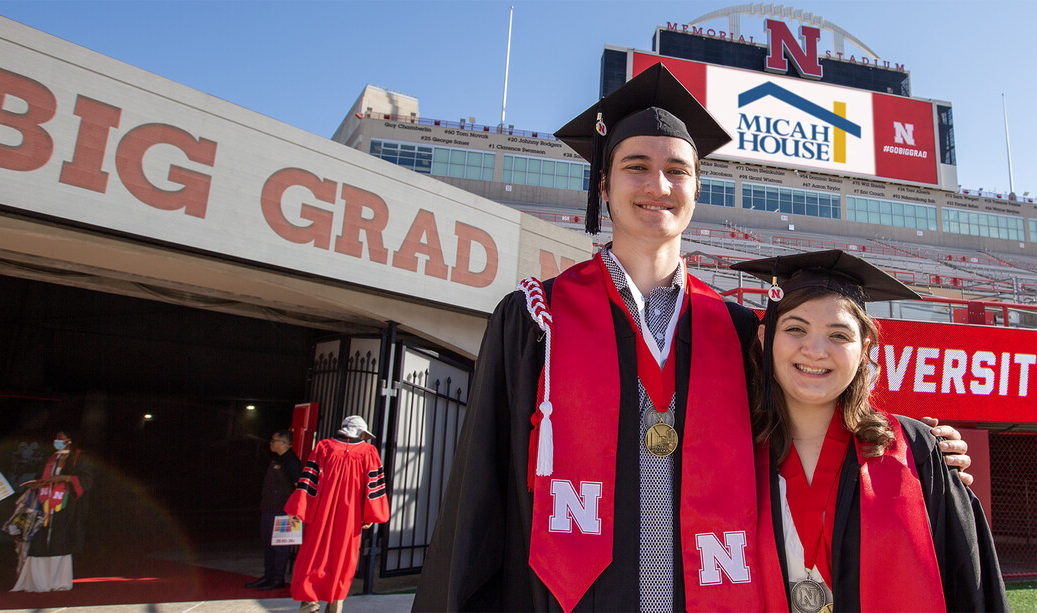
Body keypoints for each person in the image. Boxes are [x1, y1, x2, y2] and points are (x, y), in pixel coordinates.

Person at [412, 63, 972, 613]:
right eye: (636, 166)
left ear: (697, 190)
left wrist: (921, 451)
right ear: (603, 185)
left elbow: (806, 432)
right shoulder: (537, 322)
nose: (658, 186)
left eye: (677, 170)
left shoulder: (737, 331)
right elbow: (479, 496)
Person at [732, 250, 1007, 612]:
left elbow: (968, 585)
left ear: (864, 350)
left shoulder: (917, 452)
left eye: (838, 335)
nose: (815, 350)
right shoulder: (734, 454)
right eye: (796, 328)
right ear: (765, 338)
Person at [285, 415, 390, 613]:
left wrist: (301, 510)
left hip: (320, 517)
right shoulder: (369, 452)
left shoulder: (323, 447)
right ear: (360, 433)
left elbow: (309, 482)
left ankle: (309, 608)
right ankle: (335, 609)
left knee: (314, 559)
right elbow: (373, 488)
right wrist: (369, 516)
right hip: (350, 519)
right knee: (342, 562)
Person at [12, 430, 93, 592]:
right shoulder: (51, 458)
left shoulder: (80, 458)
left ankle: (57, 582)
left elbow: (86, 481)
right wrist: (36, 484)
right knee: (38, 540)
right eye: (56, 437)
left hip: (65, 505)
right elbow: (44, 478)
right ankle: (37, 582)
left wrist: (63, 478)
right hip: (44, 504)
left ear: (70, 440)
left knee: (59, 541)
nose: (57, 440)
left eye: (61, 437)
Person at [246, 429, 303, 591]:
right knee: (268, 545)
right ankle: (267, 576)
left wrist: (295, 511)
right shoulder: (276, 459)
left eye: (274, 440)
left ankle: (277, 579)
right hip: (269, 509)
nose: (271, 443)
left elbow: (299, 488)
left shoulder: (292, 462)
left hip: (284, 512)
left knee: (280, 547)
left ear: (283, 443)